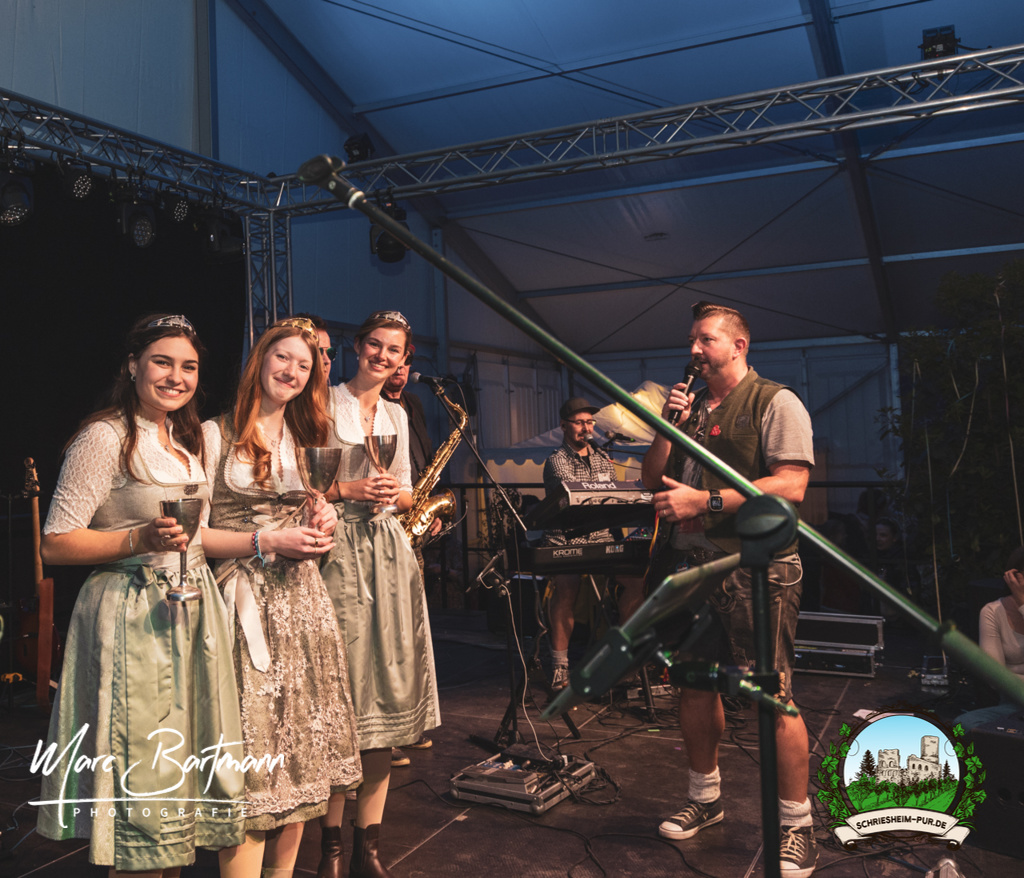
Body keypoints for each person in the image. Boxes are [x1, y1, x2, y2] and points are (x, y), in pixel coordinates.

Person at [37, 314, 245, 874]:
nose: (176, 377)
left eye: (189, 367)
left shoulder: (183, 440)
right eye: (162, 362)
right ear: (133, 366)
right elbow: (55, 543)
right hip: (134, 616)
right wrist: (138, 539)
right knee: (146, 779)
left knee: (178, 780)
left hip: (192, 611)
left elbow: (197, 536)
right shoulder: (104, 437)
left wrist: (267, 541)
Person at [641, 301, 817, 878]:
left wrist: (706, 500)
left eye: (706, 339)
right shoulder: (690, 408)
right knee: (694, 686)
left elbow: (791, 484)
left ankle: (797, 827)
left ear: (739, 345)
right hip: (695, 568)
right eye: (692, 339)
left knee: (772, 696)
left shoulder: (775, 401)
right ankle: (706, 798)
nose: (694, 349)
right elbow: (651, 478)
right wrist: (666, 425)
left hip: (757, 569)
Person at [201, 317, 361, 878]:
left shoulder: (304, 437)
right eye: (283, 357)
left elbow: (313, 507)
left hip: (304, 604)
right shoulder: (215, 434)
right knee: (256, 756)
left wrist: (325, 517)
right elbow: (193, 536)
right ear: (260, 360)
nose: (292, 371)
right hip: (242, 602)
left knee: (301, 756)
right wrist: (265, 540)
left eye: (304, 364)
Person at [319, 309, 441, 878]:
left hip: (389, 554)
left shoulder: (397, 412)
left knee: (387, 705)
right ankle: (329, 849)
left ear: (403, 359)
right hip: (338, 552)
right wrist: (349, 489)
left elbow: (409, 492)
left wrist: (396, 496)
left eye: (394, 350)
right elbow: (300, 483)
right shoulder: (323, 404)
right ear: (357, 345)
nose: (383, 356)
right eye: (375, 345)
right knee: (342, 697)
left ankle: (367, 848)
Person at [542, 396, 645, 689]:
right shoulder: (556, 460)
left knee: (636, 583)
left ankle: (623, 658)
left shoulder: (602, 458)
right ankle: (560, 666)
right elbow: (575, 499)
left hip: (601, 537)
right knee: (566, 591)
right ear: (564, 426)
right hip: (565, 539)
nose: (586, 428)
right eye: (579, 423)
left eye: (590, 422)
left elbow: (611, 497)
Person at [380, 350, 439, 763]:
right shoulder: (367, 406)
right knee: (390, 632)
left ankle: (410, 721)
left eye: (403, 363)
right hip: (383, 525)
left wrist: (431, 508)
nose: (398, 371)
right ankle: (387, 732)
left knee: (413, 630)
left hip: (411, 519)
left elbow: (426, 460)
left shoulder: (412, 405)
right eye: (392, 363)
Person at [955, 546, 1024, 731]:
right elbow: (995, 676)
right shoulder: (992, 611)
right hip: (1014, 704)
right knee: (964, 724)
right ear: (1014, 576)